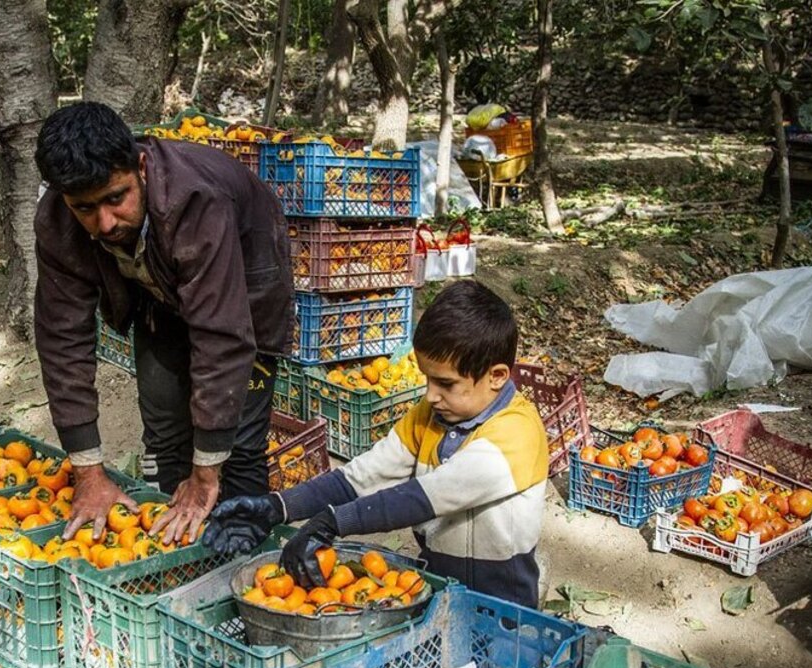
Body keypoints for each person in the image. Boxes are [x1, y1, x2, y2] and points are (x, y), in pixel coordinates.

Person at [32, 101, 294, 545]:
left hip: (244, 290)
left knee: (239, 444)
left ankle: (245, 551)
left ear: (140, 166)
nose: (105, 222)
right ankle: (172, 542)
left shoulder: (195, 200)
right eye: (85, 208)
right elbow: (62, 340)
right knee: (165, 431)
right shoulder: (59, 219)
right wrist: (88, 472)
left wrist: (206, 474)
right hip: (156, 292)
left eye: (116, 198)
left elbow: (221, 337)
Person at [205, 280, 549, 608]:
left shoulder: (516, 433)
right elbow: (361, 477)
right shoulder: (429, 416)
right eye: (427, 379)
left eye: (446, 384)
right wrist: (278, 506)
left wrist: (331, 522)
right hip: (437, 587)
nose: (431, 395)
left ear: (497, 376)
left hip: (504, 604)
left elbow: (423, 498)